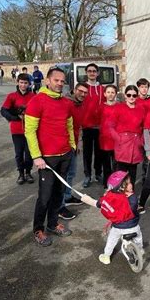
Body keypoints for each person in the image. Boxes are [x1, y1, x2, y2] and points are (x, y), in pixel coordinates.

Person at [25, 67, 75, 246]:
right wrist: (36, 157)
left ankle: (53, 224)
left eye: (63, 81)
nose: (60, 83)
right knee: (45, 196)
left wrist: (73, 146)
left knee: (58, 194)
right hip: (47, 159)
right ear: (47, 81)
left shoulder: (66, 103)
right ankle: (38, 229)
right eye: (56, 80)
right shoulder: (37, 101)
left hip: (65, 155)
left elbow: (69, 126)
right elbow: (29, 131)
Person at [96, 171, 143, 265]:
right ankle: (140, 249)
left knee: (112, 240)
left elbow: (99, 203)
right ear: (121, 187)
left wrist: (105, 196)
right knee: (138, 236)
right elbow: (133, 208)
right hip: (133, 226)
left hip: (118, 227)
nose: (131, 184)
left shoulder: (110, 197)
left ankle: (106, 256)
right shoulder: (133, 198)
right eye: (129, 183)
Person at [58, 82, 89, 220]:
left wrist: (79, 144)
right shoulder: (65, 102)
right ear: (74, 90)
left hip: (74, 144)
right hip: (63, 146)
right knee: (62, 176)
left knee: (71, 173)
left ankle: (68, 196)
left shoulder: (80, 105)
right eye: (80, 91)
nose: (82, 94)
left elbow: (79, 127)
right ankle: (59, 207)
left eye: (85, 92)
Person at [0, 73, 36, 185]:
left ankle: (28, 172)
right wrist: (13, 117)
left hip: (30, 129)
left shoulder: (34, 96)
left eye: (25, 83)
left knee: (29, 153)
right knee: (19, 153)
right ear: (17, 82)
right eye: (21, 82)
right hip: (16, 130)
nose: (23, 85)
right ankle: (21, 173)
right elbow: (3, 110)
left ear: (29, 84)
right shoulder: (12, 96)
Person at [109, 85, 145, 186]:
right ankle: (118, 195)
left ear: (137, 96)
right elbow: (111, 125)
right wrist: (118, 139)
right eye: (129, 95)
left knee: (132, 172)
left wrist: (141, 141)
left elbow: (144, 127)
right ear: (125, 95)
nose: (131, 97)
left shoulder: (141, 109)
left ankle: (130, 194)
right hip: (122, 145)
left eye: (134, 95)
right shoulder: (119, 108)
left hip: (135, 145)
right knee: (120, 173)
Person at [80, 63, 105, 188]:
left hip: (100, 127)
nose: (92, 73)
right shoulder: (82, 88)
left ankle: (98, 173)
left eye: (94, 71)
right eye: (89, 71)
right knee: (87, 153)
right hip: (86, 126)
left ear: (97, 73)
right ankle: (87, 175)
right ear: (86, 72)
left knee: (99, 152)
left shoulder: (102, 89)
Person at [99, 85, 118, 189]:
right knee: (106, 164)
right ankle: (107, 183)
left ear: (115, 94)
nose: (110, 94)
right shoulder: (101, 107)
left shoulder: (120, 106)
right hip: (105, 140)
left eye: (112, 92)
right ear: (105, 94)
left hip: (116, 141)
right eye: (108, 92)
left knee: (116, 164)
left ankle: (115, 183)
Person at [135, 78, 150, 182]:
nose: (144, 89)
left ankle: (145, 175)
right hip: (137, 130)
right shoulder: (135, 100)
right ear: (138, 88)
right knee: (136, 153)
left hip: (148, 130)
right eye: (142, 87)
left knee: (148, 153)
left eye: (146, 87)